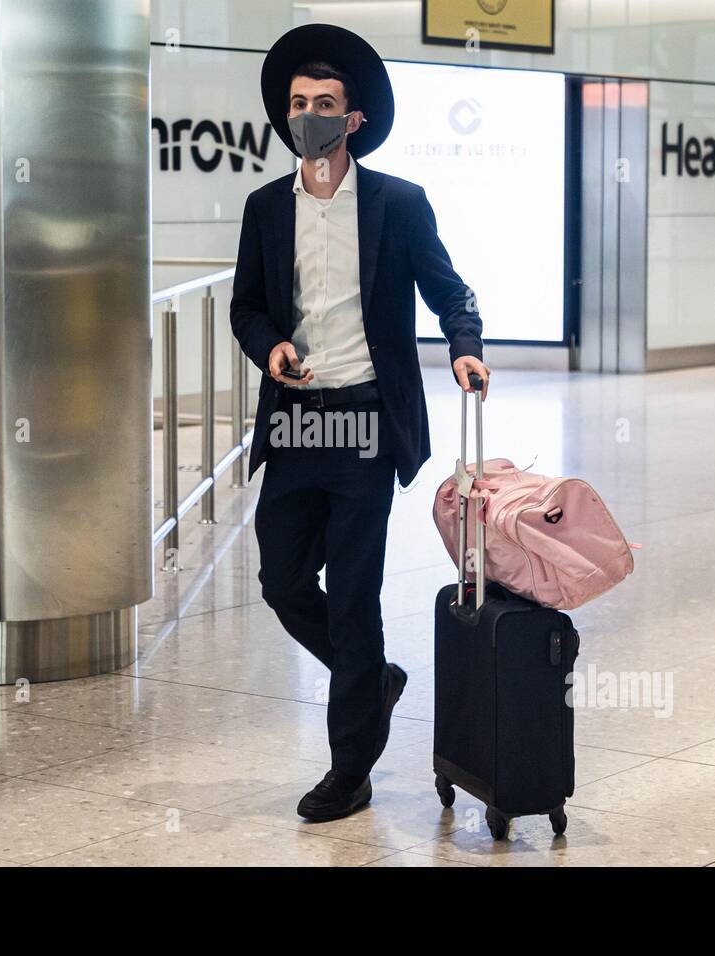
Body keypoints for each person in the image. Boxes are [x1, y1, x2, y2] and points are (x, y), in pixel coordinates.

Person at [230, 23, 489, 822]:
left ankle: (351, 769)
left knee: (352, 597)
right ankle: (371, 679)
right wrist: (270, 346)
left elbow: (450, 289)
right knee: (281, 581)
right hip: (299, 422)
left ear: (354, 120)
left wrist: (464, 348)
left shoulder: (397, 205)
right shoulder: (265, 208)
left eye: (324, 104)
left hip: (366, 425)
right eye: (297, 103)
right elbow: (248, 306)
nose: (306, 113)